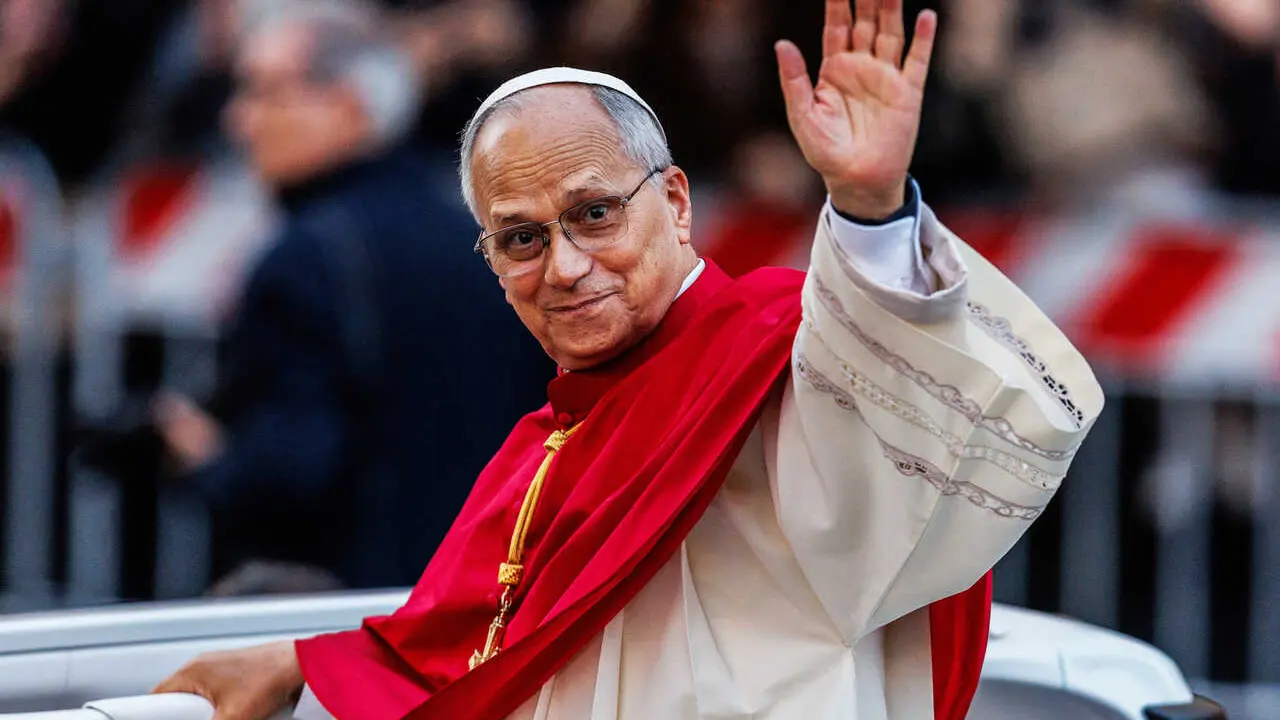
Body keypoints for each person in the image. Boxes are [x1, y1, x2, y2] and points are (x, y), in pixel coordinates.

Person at [155, 1, 1103, 718]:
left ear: (679, 203)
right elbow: (471, 642)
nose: (565, 267)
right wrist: (295, 663)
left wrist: (868, 209)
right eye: (520, 240)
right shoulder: (546, 443)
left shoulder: (781, 356)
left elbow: (893, 434)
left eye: (595, 214)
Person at [153, 0, 552, 591]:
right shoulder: (479, 235)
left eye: (264, 92)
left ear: (348, 105)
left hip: (349, 622)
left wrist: (201, 456)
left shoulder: (305, 260)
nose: (239, 120)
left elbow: (292, 474)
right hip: (488, 601)